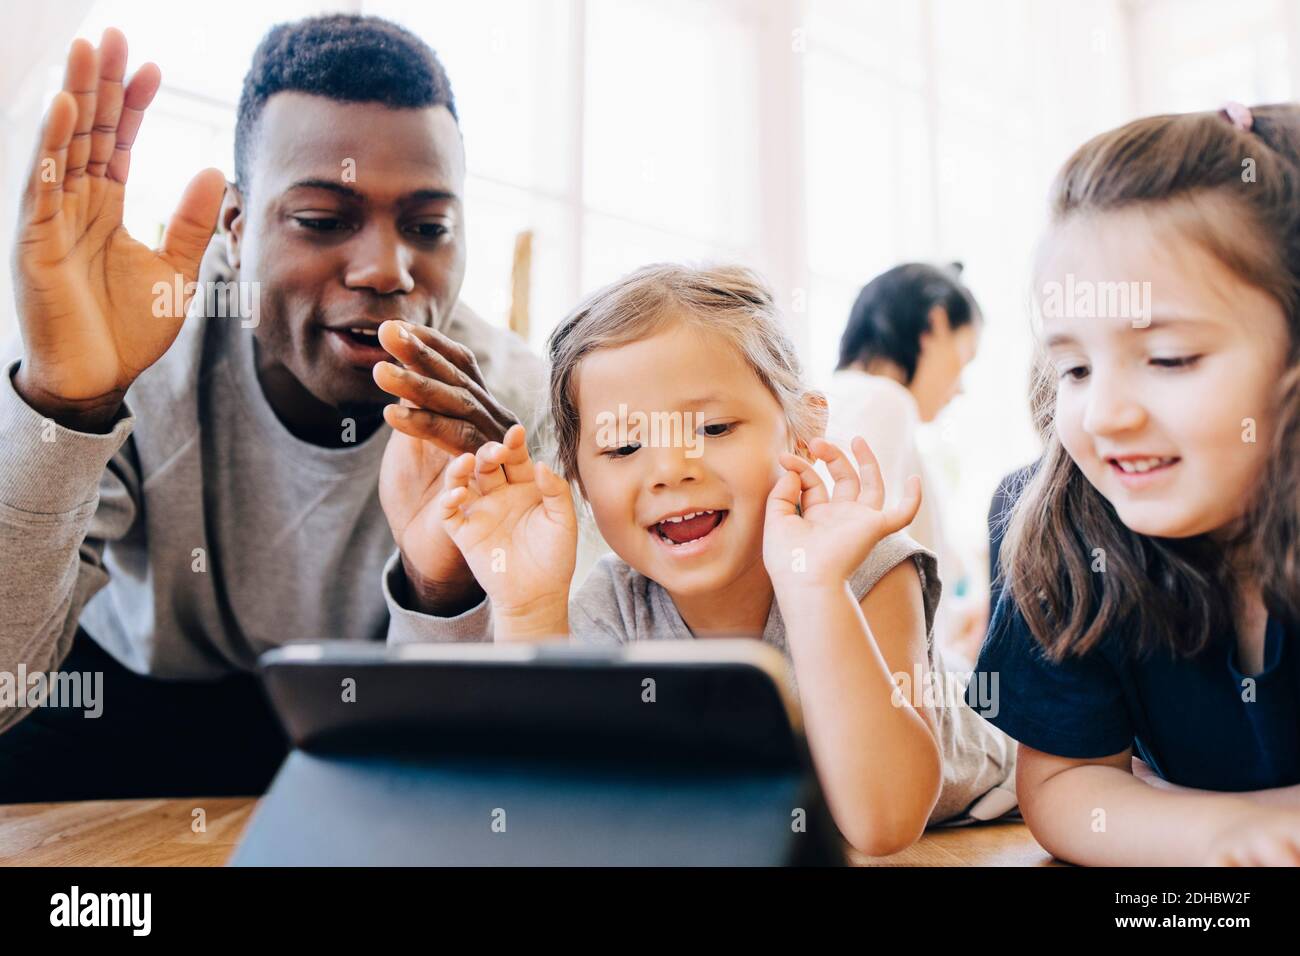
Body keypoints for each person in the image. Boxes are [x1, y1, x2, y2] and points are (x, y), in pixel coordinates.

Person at [0, 16, 587, 802]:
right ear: (235, 231)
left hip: (369, 711)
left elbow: (484, 752)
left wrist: (445, 585)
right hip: (125, 693)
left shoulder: (511, 409)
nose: (386, 268)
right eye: (322, 219)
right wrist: (67, 407)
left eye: (428, 227)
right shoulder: (138, 341)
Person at [391, 264, 1018, 853]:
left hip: (995, 813)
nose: (670, 470)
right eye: (623, 446)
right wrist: (528, 608)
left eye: (713, 430)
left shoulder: (860, 565)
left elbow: (883, 821)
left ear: (803, 431)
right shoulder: (614, 604)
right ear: (578, 480)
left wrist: (814, 587)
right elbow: (556, 810)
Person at [969, 103, 1300, 866]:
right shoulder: (1062, 528)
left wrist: (1163, 809)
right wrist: (1231, 835)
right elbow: (1068, 786)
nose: (1105, 415)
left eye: (1171, 358)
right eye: (1075, 369)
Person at [824, 263, 985, 662]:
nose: (960, 388)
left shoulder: (848, 402)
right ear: (935, 324)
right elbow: (866, 572)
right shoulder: (881, 400)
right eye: (964, 359)